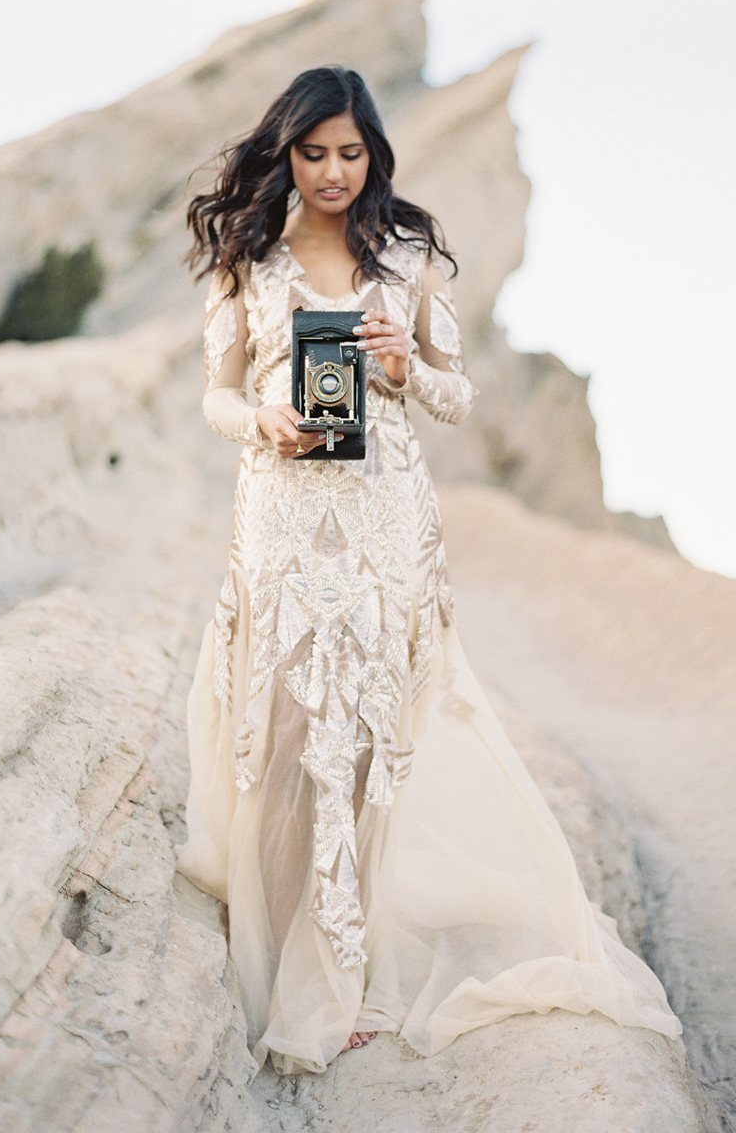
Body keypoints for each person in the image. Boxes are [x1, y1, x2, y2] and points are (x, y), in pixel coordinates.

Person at [177, 66, 680, 1075]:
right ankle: (273, 956)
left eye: (349, 152)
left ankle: (339, 979)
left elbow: (458, 398)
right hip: (280, 510)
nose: (330, 171)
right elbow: (215, 400)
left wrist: (405, 364)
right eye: (312, 152)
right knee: (280, 733)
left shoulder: (408, 255)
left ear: (374, 154)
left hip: (382, 519)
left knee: (364, 740)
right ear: (286, 153)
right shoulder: (251, 259)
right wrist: (262, 420)